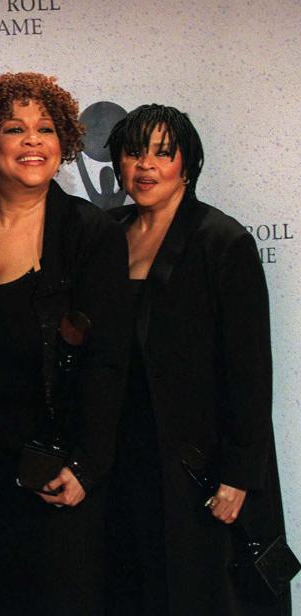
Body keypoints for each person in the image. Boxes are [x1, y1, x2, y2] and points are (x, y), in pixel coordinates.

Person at [0, 72, 130, 615]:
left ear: (65, 142)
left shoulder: (88, 233)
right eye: (14, 128)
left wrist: (87, 466)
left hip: (55, 469)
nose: (33, 141)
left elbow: (108, 360)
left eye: (46, 128)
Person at [105, 104, 289, 615]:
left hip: (201, 465)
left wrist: (239, 475)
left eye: (163, 154)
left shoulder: (220, 240)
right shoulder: (106, 233)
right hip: (128, 453)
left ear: (188, 165)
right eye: (134, 153)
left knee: (202, 594)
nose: (146, 166)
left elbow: (251, 370)